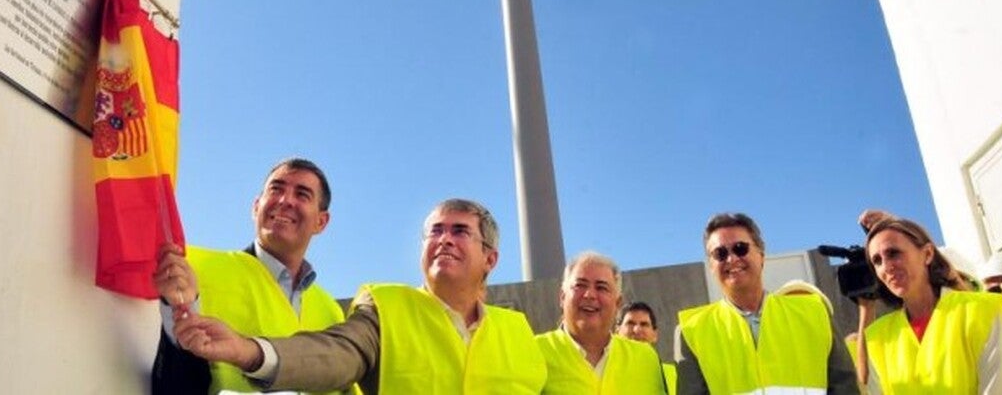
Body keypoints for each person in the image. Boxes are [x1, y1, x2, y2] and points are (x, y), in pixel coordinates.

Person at [173, 198, 547, 394]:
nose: (443, 239)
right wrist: (249, 352)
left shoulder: (520, 333)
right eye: (435, 231)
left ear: (491, 258)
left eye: (459, 231)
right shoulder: (385, 306)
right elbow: (336, 354)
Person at [150, 157, 349, 394]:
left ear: (321, 221)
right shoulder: (190, 268)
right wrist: (178, 314)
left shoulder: (332, 312)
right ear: (256, 207)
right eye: (276, 189)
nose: (285, 201)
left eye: (302, 194)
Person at [676, 212, 858, 394]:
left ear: (761, 255)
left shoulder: (814, 312)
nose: (731, 259)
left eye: (740, 248)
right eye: (720, 253)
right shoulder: (692, 330)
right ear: (711, 266)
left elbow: (845, 388)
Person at [859, 216, 1002, 393]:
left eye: (894, 253)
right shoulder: (878, 337)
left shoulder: (989, 311)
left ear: (928, 254)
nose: (887, 266)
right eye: (877, 261)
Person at [536, 252, 665, 393]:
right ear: (562, 297)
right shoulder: (535, 351)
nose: (589, 295)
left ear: (618, 303)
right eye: (580, 285)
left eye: (601, 287)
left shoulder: (646, 358)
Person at [617, 301, 676, 394]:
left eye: (644, 324)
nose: (637, 330)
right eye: (630, 323)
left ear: (655, 334)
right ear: (617, 331)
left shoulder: (673, 375)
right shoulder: (604, 369)